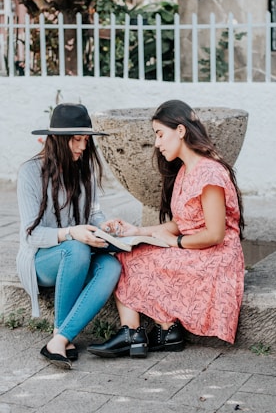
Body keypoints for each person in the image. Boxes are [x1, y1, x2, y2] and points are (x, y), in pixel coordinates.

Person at [87, 99, 245, 359]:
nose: (157, 143)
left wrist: (175, 242)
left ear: (180, 131)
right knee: (128, 252)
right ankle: (152, 332)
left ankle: (147, 332)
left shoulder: (210, 174)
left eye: (160, 134)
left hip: (217, 257)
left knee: (134, 259)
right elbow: (182, 222)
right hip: (198, 247)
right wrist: (138, 230)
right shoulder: (185, 171)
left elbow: (216, 234)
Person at [16, 103, 122, 369]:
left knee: (111, 265)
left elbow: (94, 215)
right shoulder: (29, 172)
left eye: (85, 140)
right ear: (58, 140)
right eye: (77, 140)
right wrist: (70, 233)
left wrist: (105, 227)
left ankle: (61, 339)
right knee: (75, 248)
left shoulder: (84, 171)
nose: (83, 147)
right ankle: (58, 333)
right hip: (40, 261)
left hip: (78, 254)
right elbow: (31, 235)